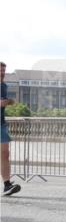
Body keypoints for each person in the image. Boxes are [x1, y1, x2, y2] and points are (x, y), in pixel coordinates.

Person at [1, 62, 21, 197]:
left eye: (3, 71)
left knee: (5, 154)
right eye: (0, 71)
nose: (2, 73)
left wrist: (9, 101)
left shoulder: (4, 86)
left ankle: (7, 185)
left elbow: (3, 101)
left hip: (1, 123)